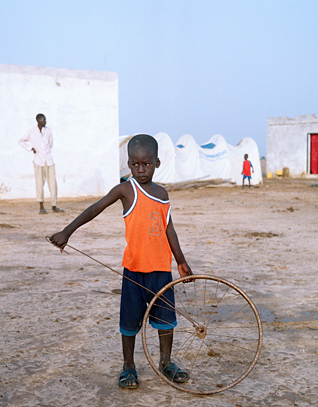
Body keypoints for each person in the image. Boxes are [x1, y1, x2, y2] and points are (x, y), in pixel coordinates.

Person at [50, 134, 192, 389]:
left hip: (161, 269)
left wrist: (181, 261)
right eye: (135, 164)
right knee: (129, 321)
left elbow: (169, 228)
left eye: (146, 164)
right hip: (134, 270)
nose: (140, 169)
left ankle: (166, 362)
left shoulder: (162, 193)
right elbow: (95, 208)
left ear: (157, 163)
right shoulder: (126, 189)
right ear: (128, 163)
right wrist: (67, 232)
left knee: (166, 320)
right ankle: (128, 366)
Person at [19, 113, 63, 214]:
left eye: (45, 120)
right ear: (38, 121)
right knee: (39, 183)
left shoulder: (48, 130)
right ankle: (41, 206)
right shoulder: (31, 131)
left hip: (49, 160)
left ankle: (54, 205)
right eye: (43, 120)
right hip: (38, 161)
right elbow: (21, 141)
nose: (45, 121)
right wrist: (31, 148)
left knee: (53, 183)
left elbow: (51, 144)